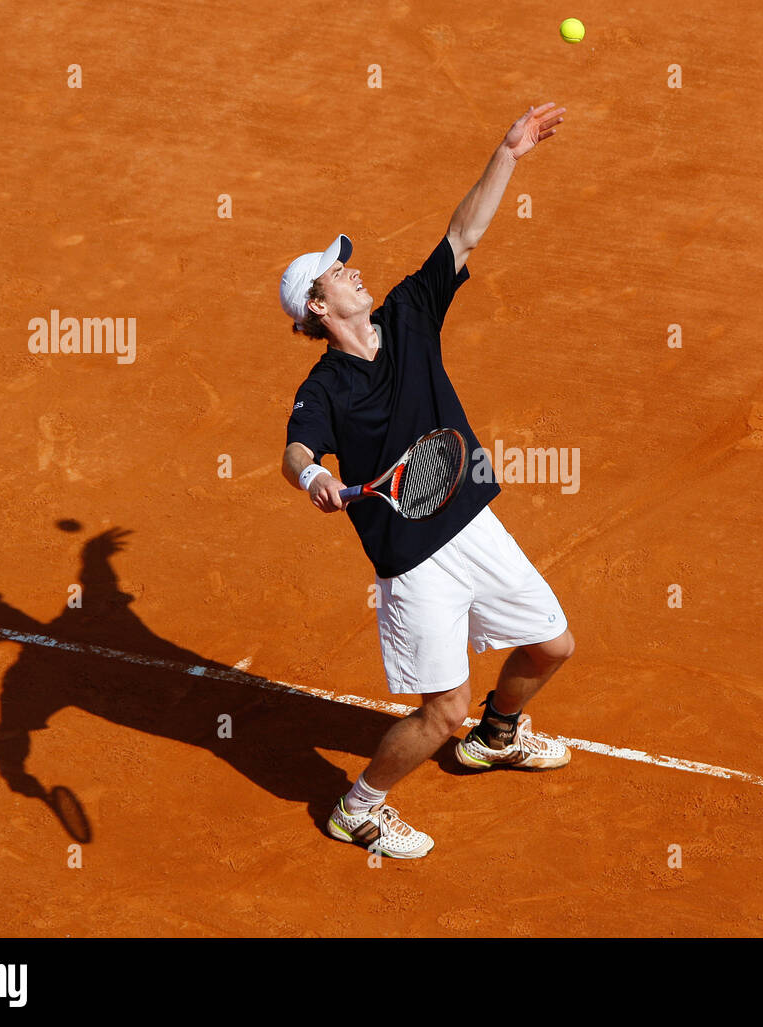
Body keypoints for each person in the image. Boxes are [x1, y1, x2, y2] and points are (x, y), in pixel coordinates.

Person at [279, 103, 574, 859]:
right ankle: (358, 806)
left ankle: (498, 735)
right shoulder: (325, 389)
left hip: (473, 524)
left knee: (552, 644)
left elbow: (463, 232)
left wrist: (508, 152)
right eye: (337, 271)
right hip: (414, 565)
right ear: (319, 306)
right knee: (440, 711)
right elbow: (295, 451)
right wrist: (312, 472)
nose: (353, 269)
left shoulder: (410, 312)